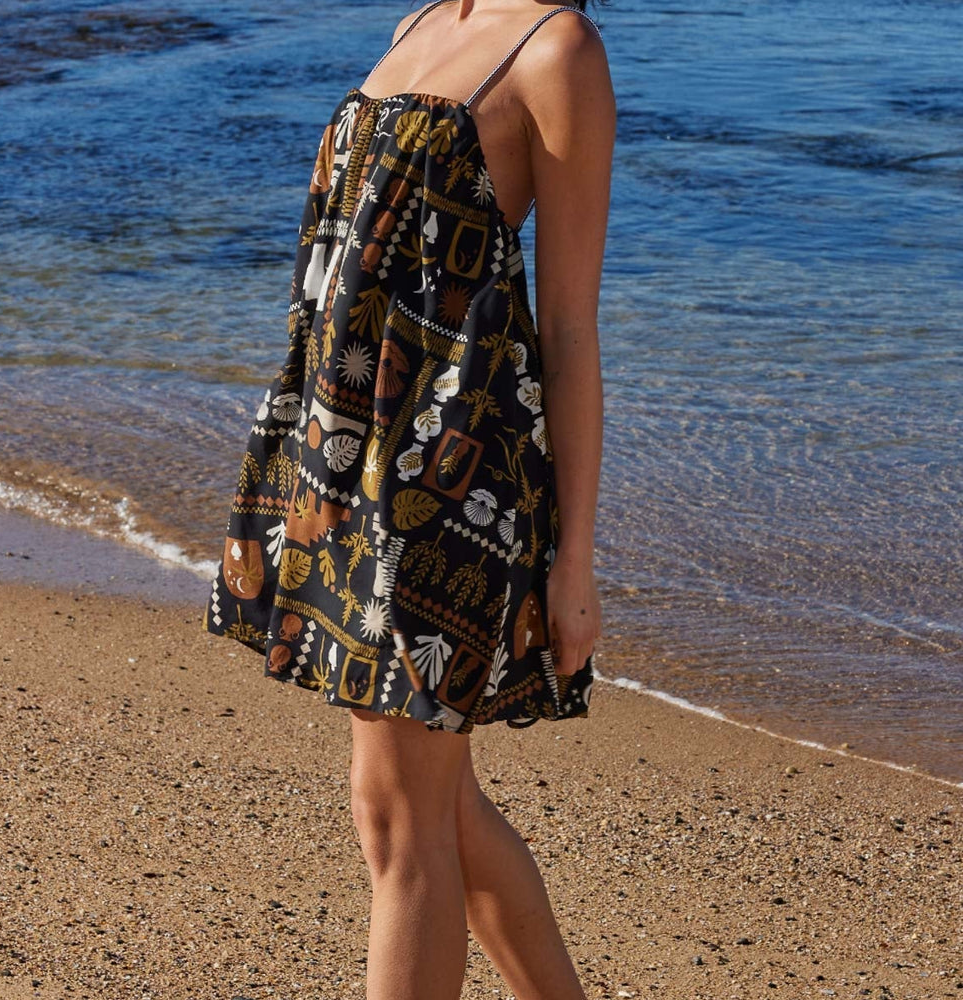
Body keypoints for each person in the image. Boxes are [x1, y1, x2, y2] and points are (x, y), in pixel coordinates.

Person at [203, 0, 614, 996]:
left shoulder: (556, 51)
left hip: (449, 482)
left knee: (398, 815)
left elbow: (565, 328)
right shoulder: (419, 22)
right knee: (441, 809)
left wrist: (574, 563)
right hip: (346, 463)